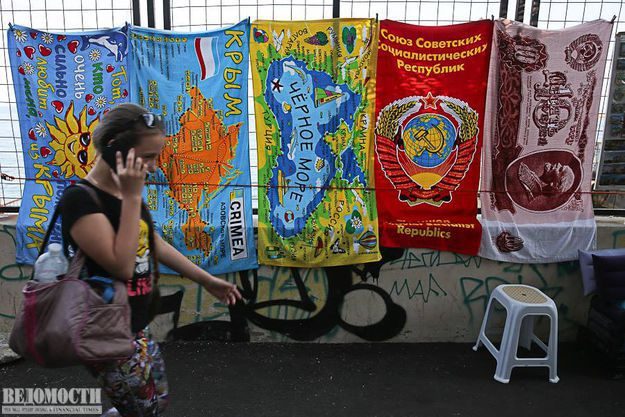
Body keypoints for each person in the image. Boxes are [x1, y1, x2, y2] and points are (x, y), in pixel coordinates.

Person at [59, 103, 242, 417]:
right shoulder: (81, 200)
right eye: (147, 157)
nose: (154, 167)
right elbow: (121, 266)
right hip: (106, 332)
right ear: (115, 148)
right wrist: (133, 197)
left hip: (135, 326)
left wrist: (206, 280)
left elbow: (150, 241)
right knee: (144, 409)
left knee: (154, 403)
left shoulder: (122, 194)